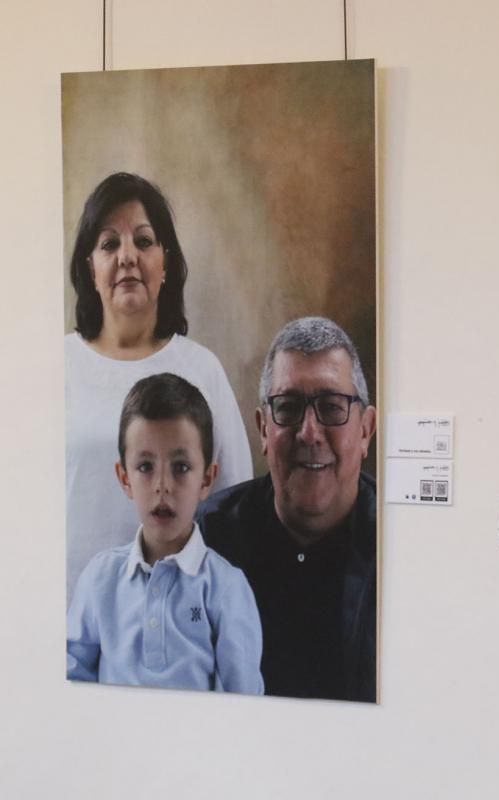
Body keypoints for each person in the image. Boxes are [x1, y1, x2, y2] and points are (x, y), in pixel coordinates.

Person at [66, 172, 252, 601]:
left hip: (177, 629)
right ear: (89, 268)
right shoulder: (58, 367)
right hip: (69, 625)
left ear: (165, 263)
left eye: (144, 241)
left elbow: (232, 513)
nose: (127, 256)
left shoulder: (202, 370)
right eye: (109, 244)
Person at [197, 317, 377, 702]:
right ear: (263, 428)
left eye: (331, 407)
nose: (309, 433)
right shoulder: (206, 540)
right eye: (289, 407)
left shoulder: (402, 546)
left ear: (365, 430)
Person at [67, 373, 263, 694]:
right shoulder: (99, 580)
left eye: (181, 467)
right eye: (145, 467)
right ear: (124, 477)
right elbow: (70, 687)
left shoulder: (227, 588)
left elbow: (243, 706)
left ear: (207, 479)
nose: (162, 486)